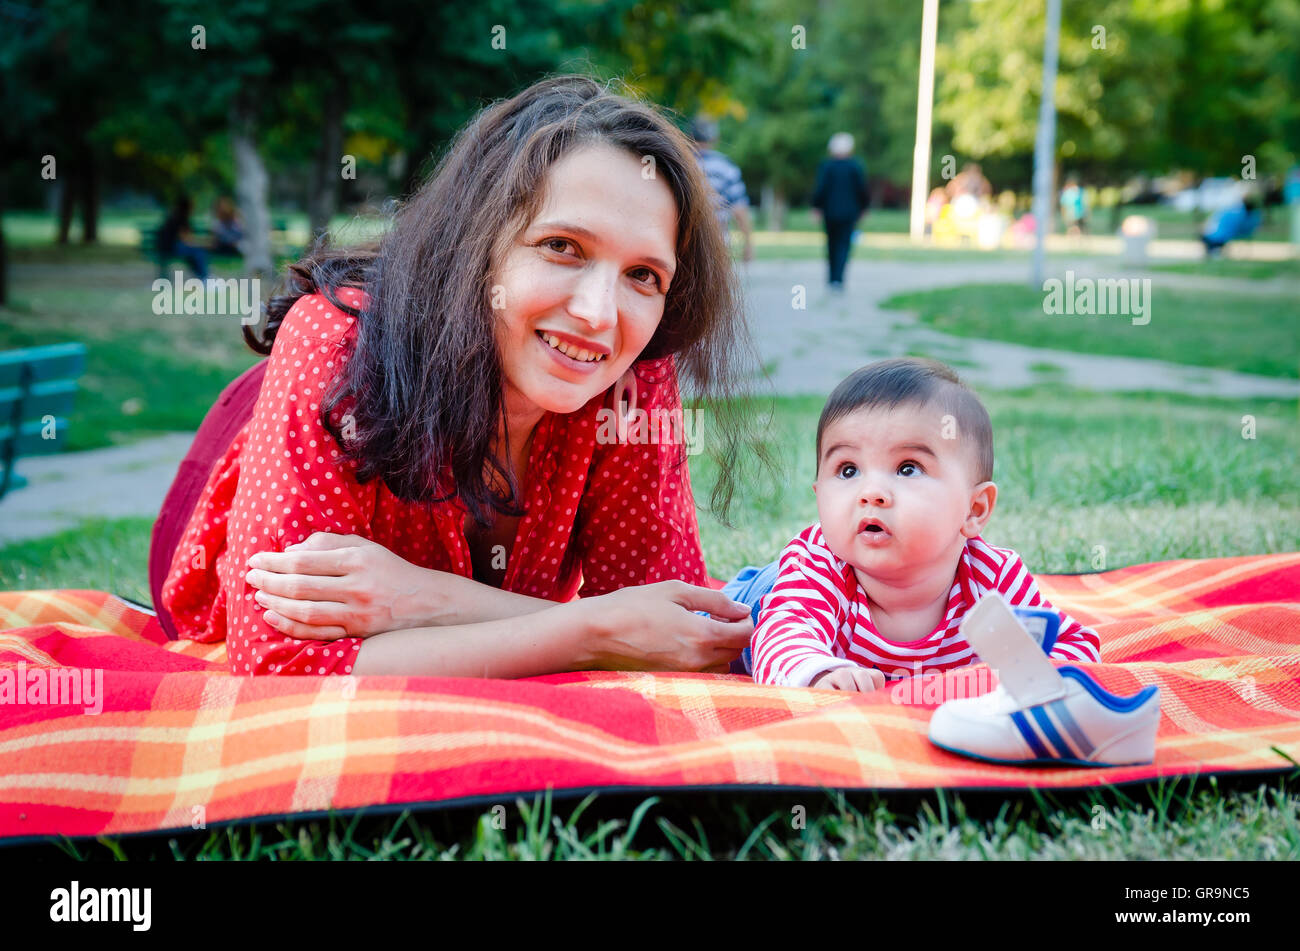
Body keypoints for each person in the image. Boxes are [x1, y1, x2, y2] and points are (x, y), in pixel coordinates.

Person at [161, 75, 770, 677]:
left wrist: (424, 600)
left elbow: (671, 635)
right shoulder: (333, 342)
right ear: (478, 241)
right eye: (562, 246)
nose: (598, 313)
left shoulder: (631, 373)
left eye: (644, 275)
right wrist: (595, 630)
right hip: (237, 493)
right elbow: (278, 657)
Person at [732, 358, 1101, 689]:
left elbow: (1073, 646)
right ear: (819, 494)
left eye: (908, 468)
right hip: (756, 601)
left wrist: (1038, 673)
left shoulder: (992, 579)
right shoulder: (818, 567)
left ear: (974, 510)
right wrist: (819, 673)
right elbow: (785, 632)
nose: (871, 492)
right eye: (848, 470)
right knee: (723, 620)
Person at [689, 117, 754, 263]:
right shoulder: (726, 166)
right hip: (718, 238)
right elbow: (739, 208)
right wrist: (748, 243)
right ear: (715, 138)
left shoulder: (679, 163)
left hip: (683, 240)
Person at [810, 132, 869, 290]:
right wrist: (864, 208)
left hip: (830, 212)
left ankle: (832, 278)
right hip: (849, 213)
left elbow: (820, 189)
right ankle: (839, 279)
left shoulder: (827, 166)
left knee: (831, 244)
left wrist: (816, 207)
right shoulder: (855, 166)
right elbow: (862, 190)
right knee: (844, 245)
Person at [157, 194, 209, 280]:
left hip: (165, 247)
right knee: (198, 252)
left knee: (194, 252)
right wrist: (204, 243)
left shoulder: (174, 216)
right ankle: (204, 277)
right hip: (170, 248)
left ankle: (202, 276)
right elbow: (186, 239)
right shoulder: (180, 218)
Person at [1201, 192, 1262, 257]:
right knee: (1214, 235)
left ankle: (1213, 251)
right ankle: (1214, 250)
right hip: (1244, 233)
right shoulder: (1255, 215)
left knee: (1208, 235)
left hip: (1228, 235)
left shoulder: (1236, 213)